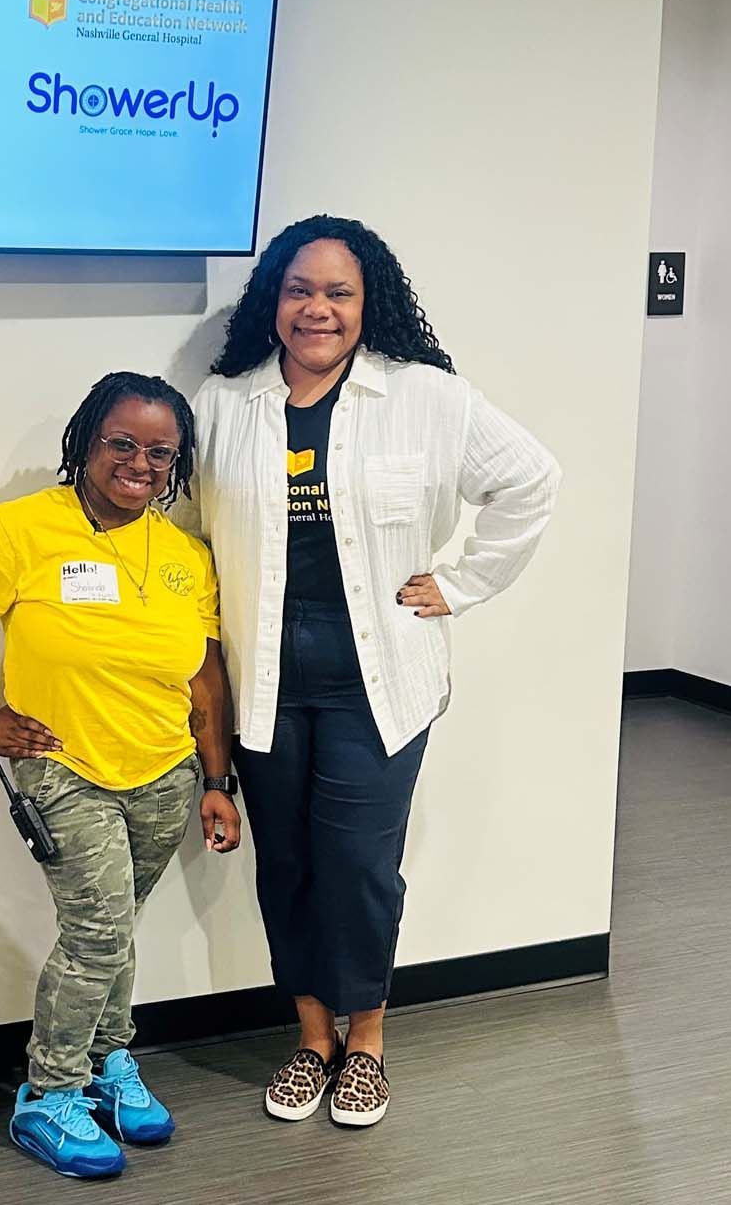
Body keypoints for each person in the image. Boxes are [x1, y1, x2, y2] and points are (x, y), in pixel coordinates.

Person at [188, 216, 559, 1129]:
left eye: (338, 292)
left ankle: (368, 1044)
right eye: (299, 290)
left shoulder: (425, 395)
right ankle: (312, 1037)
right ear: (273, 303)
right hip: (266, 671)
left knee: (358, 865)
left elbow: (532, 479)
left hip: (379, 674)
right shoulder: (222, 403)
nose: (318, 308)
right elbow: (190, 534)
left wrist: (463, 583)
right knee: (291, 866)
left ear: (368, 303)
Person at [0, 371, 241, 1181]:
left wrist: (216, 779)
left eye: (159, 452)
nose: (139, 462)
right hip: (63, 765)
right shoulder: (20, 530)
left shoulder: (183, 555)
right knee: (99, 930)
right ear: (86, 443)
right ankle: (48, 1091)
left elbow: (205, 677)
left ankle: (106, 1062)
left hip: (165, 771)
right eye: (122, 443)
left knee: (114, 927)